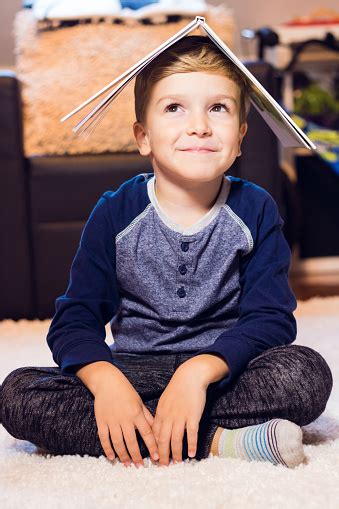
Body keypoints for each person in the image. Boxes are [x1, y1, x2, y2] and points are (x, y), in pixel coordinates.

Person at [0, 36, 333, 470]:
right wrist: (106, 382)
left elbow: (270, 319)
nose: (199, 125)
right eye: (175, 108)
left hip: (221, 376)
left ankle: (160, 428)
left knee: (307, 374)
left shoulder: (256, 208)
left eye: (219, 108)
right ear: (143, 137)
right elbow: (74, 321)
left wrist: (199, 373)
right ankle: (217, 442)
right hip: (133, 373)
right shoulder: (115, 212)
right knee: (18, 395)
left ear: (240, 139)